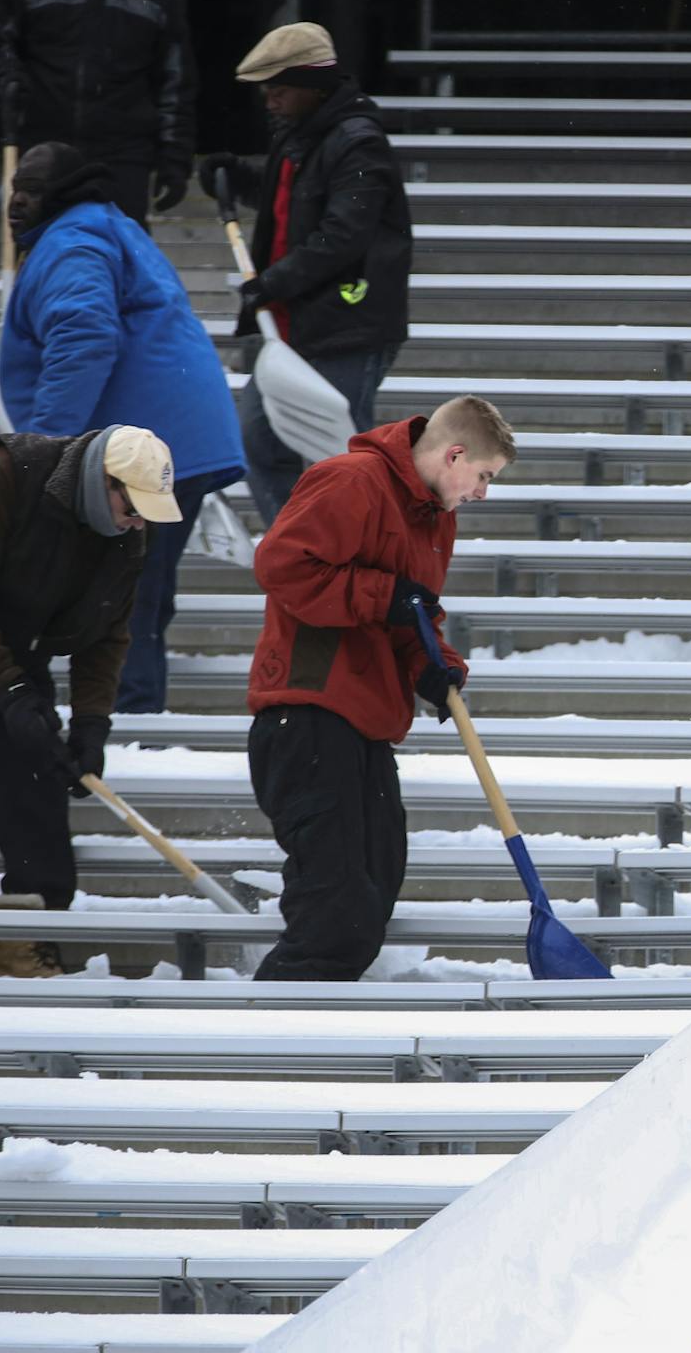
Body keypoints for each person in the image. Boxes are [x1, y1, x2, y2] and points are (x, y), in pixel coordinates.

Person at [246, 397, 512, 981]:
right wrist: (384, 595)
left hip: (367, 719)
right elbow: (282, 565)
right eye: (484, 477)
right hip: (309, 709)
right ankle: (270, 1045)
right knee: (335, 911)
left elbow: (411, 612)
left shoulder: (435, 517)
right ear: (455, 454)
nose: (483, 493)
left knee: (377, 882)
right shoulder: (350, 481)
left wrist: (434, 665)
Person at [0, 141, 244, 715]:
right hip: (170, 434)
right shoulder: (104, 228)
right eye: (15, 189)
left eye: (31, 191)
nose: (17, 203)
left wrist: (39, 449)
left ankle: (129, 720)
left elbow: (83, 336)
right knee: (137, 592)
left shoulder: (72, 242)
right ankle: (131, 713)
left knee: (123, 595)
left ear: (61, 195)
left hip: (142, 444)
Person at [0, 425, 179, 977]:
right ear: (103, 481)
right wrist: (9, 687)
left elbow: (108, 632)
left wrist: (91, 723)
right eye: (132, 508)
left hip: (15, 648)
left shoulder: (128, 531)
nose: (138, 523)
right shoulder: (7, 475)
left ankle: (24, 935)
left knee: (36, 779)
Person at [196, 22, 412, 528]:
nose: (269, 100)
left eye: (279, 88)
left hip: (347, 326)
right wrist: (237, 175)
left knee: (341, 457)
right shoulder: (301, 137)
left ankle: (352, 556)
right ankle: (302, 553)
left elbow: (344, 234)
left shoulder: (360, 143)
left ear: (314, 85)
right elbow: (292, 203)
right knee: (258, 439)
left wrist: (274, 282)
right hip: (296, 326)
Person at [0, 0, 196, 224]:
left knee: (117, 254)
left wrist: (174, 159)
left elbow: (175, 83)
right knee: (42, 254)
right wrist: (4, 78)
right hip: (44, 149)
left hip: (122, 157)